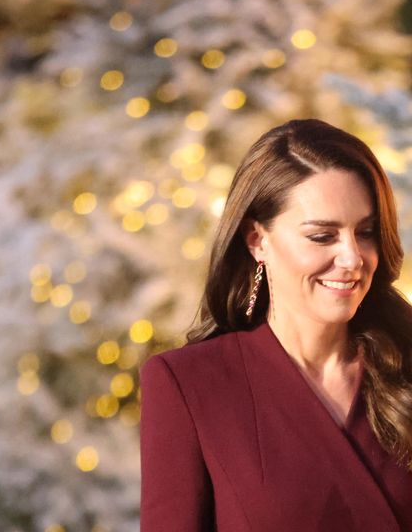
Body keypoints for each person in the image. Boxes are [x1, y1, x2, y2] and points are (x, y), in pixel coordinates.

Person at [139, 118, 412, 531]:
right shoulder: (188, 385)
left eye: (367, 232)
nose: (353, 258)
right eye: (323, 236)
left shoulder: (405, 366)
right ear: (257, 240)